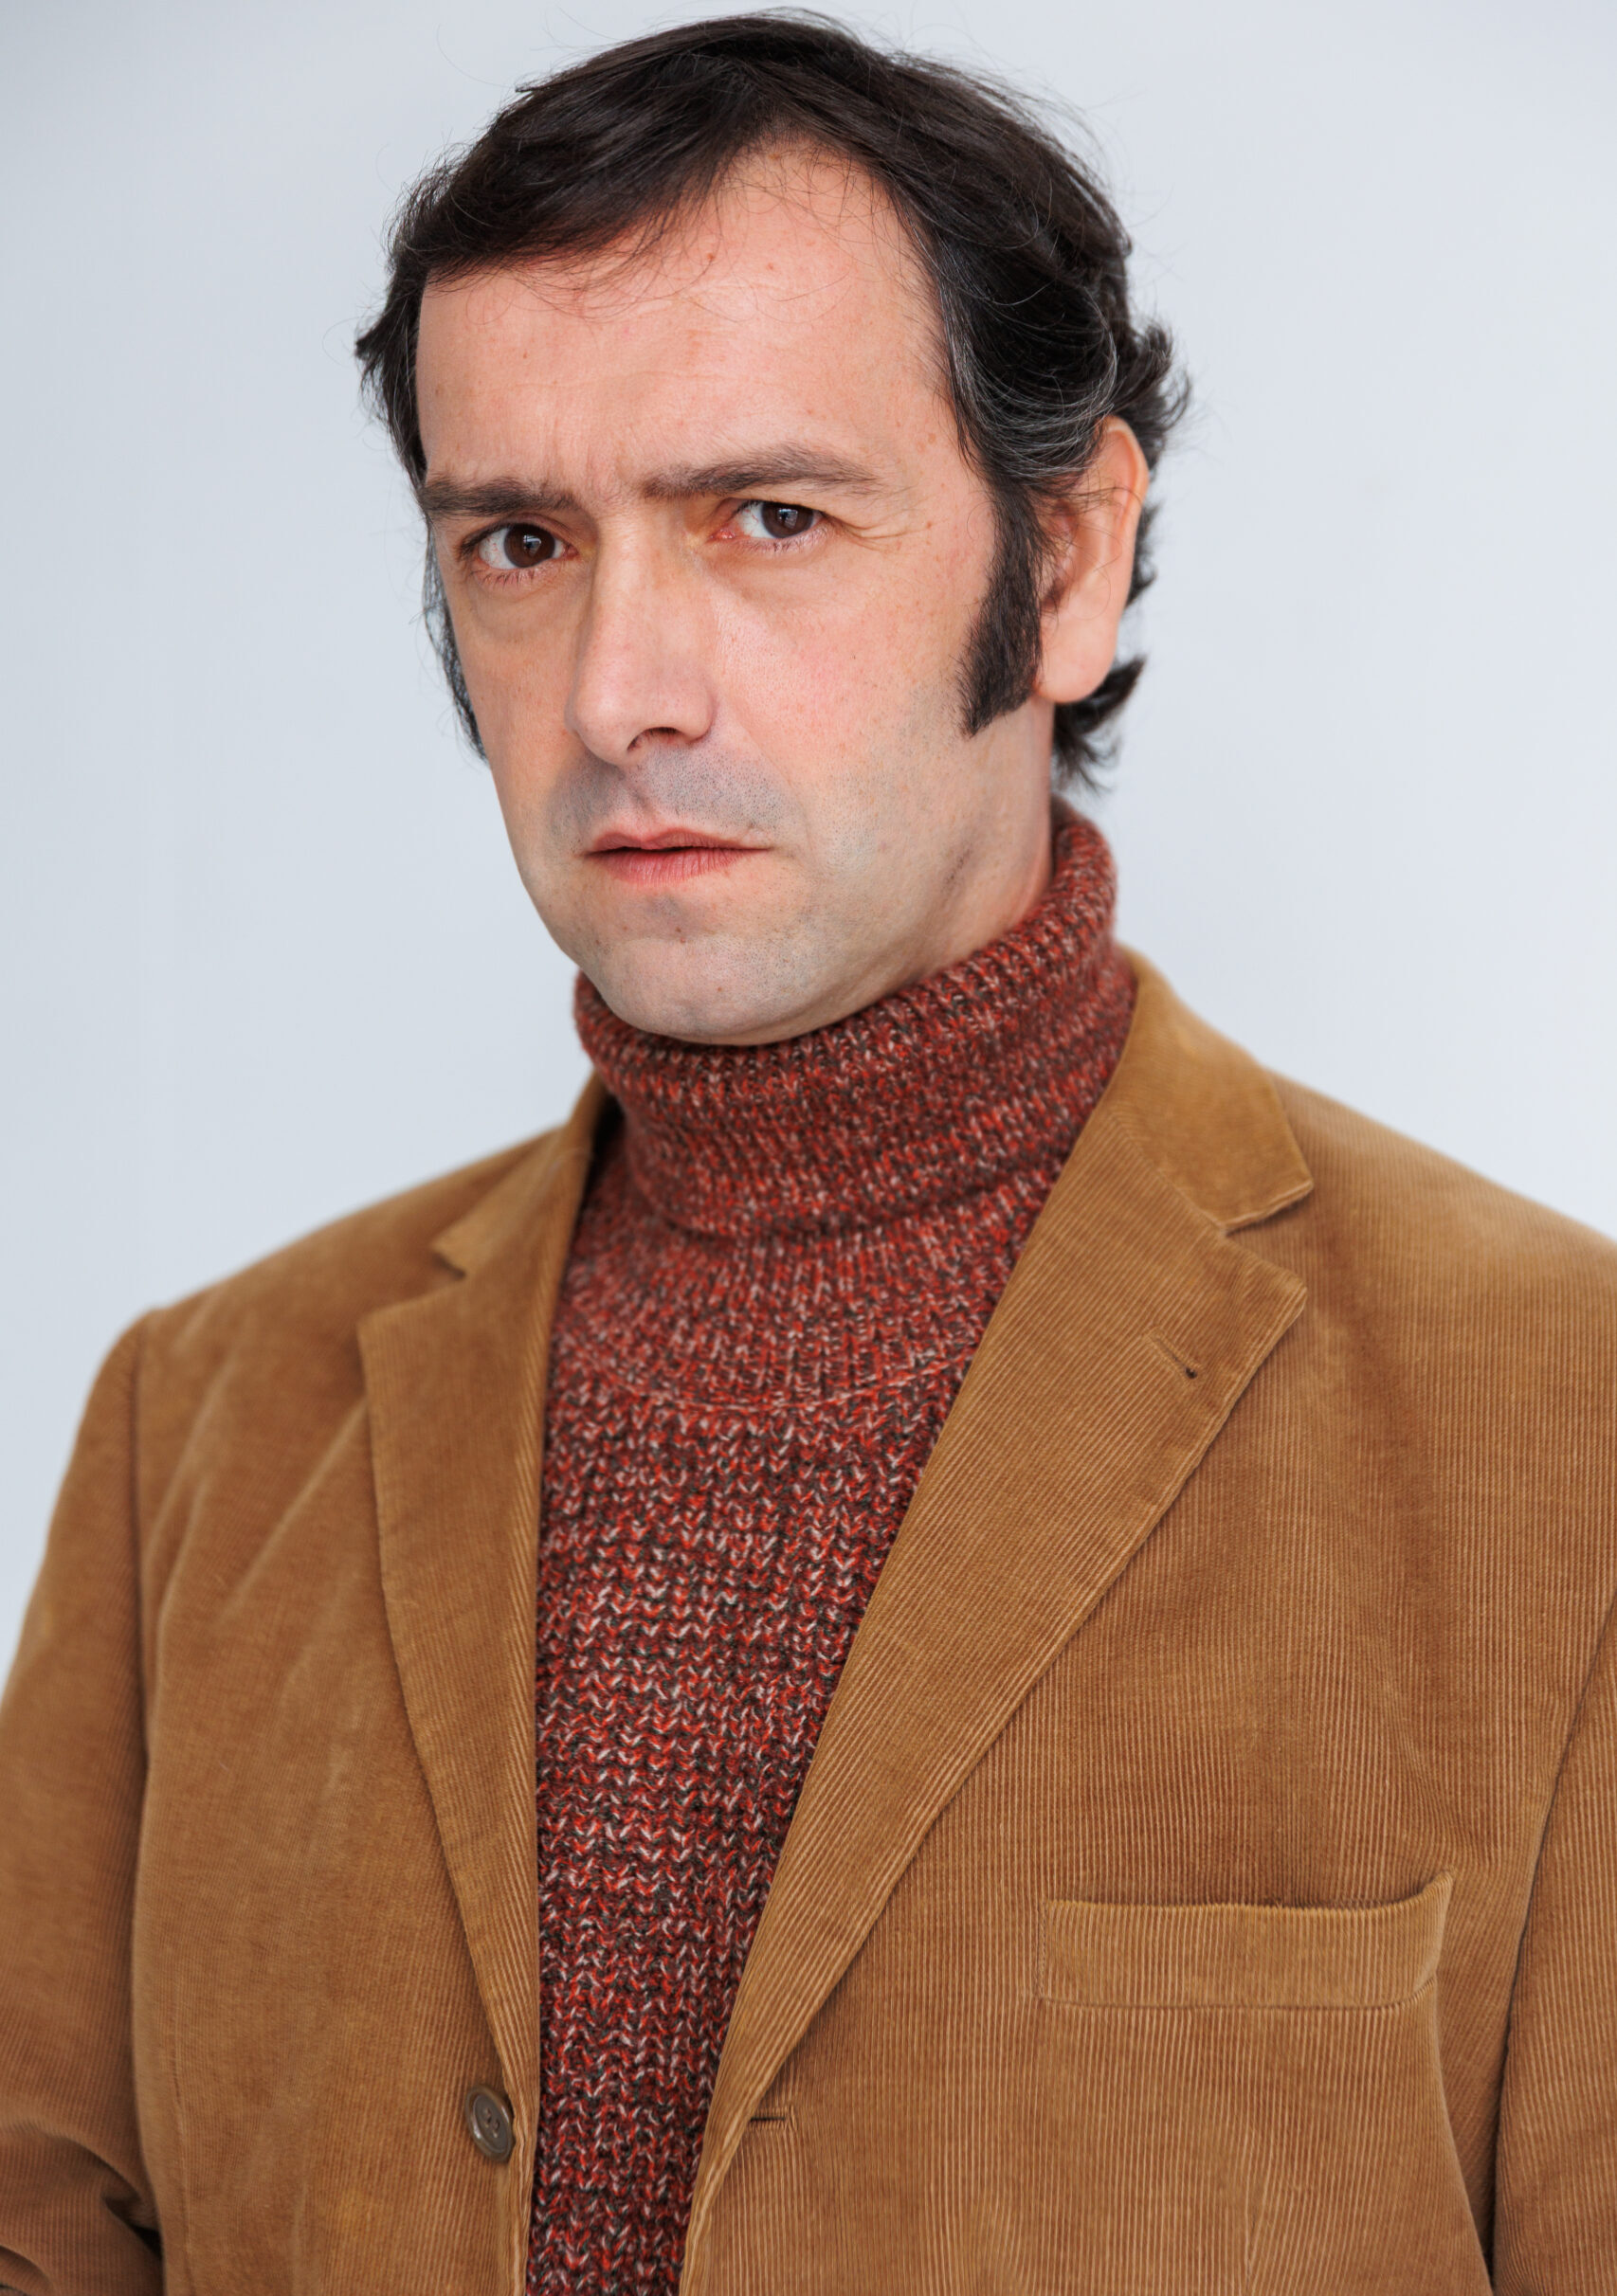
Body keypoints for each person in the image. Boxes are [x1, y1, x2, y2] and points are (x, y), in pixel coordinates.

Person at [2, 14, 1613, 2293]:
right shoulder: (202, 1424)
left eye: (768, 517)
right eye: (520, 541)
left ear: (1065, 561)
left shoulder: (1564, 1430)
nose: (613, 691)